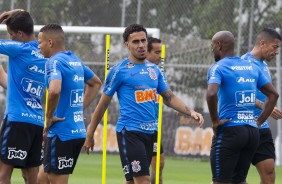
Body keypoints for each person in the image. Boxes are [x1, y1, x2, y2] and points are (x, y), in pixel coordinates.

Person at [83, 24, 204, 184]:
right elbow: (103, 104)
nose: (140, 45)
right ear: (127, 44)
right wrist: (90, 134)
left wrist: (190, 112)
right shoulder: (119, 71)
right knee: (144, 180)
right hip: (130, 133)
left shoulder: (155, 70)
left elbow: (169, 97)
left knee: (132, 181)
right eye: (135, 42)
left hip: (150, 133)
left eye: (143, 41)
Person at [206, 30, 279, 184]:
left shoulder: (220, 66)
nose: (277, 52)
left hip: (235, 128)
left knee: (222, 180)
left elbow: (211, 93)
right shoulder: (248, 64)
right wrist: (260, 116)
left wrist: (214, 121)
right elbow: (272, 95)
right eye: (275, 47)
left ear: (218, 45)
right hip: (251, 130)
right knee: (238, 180)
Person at [37, 23, 102, 184]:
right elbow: (96, 83)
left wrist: (49, 117)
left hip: (61, 133)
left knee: (56, 179)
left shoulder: (54, 62)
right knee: (42, 179)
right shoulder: (75, 60)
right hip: (76, 131)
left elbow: (54, 90)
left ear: (50, 42)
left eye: (40, 42)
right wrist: (77, 111)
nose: (38, 46)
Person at [0, 9, 47, 184]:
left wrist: (3, 15)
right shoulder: (45, 54)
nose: (10, 38)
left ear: (20, 34)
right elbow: (9, 83)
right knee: (30, 178)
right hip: (36, 123)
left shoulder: (19, 49)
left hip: (16, 120)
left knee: (3, 176)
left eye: (11, 34)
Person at [241, 28, 282, 184]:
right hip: (243, 125)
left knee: (269, 170)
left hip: (261, 126)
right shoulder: (244, 63)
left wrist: (267, 108)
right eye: (275, 47)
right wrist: (266, 107)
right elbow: (239, 95)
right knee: (237, 176)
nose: (277, 51)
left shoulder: (264, 65)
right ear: (262, 43)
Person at [146, 37, 164, 184]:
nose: (160, 56)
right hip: (141, 127)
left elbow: (166, 94)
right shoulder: (139, 71)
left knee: (159, 164)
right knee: (139, 171)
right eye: (157, 52)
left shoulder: (157, 72)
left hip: (155, 126)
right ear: (147, 52)